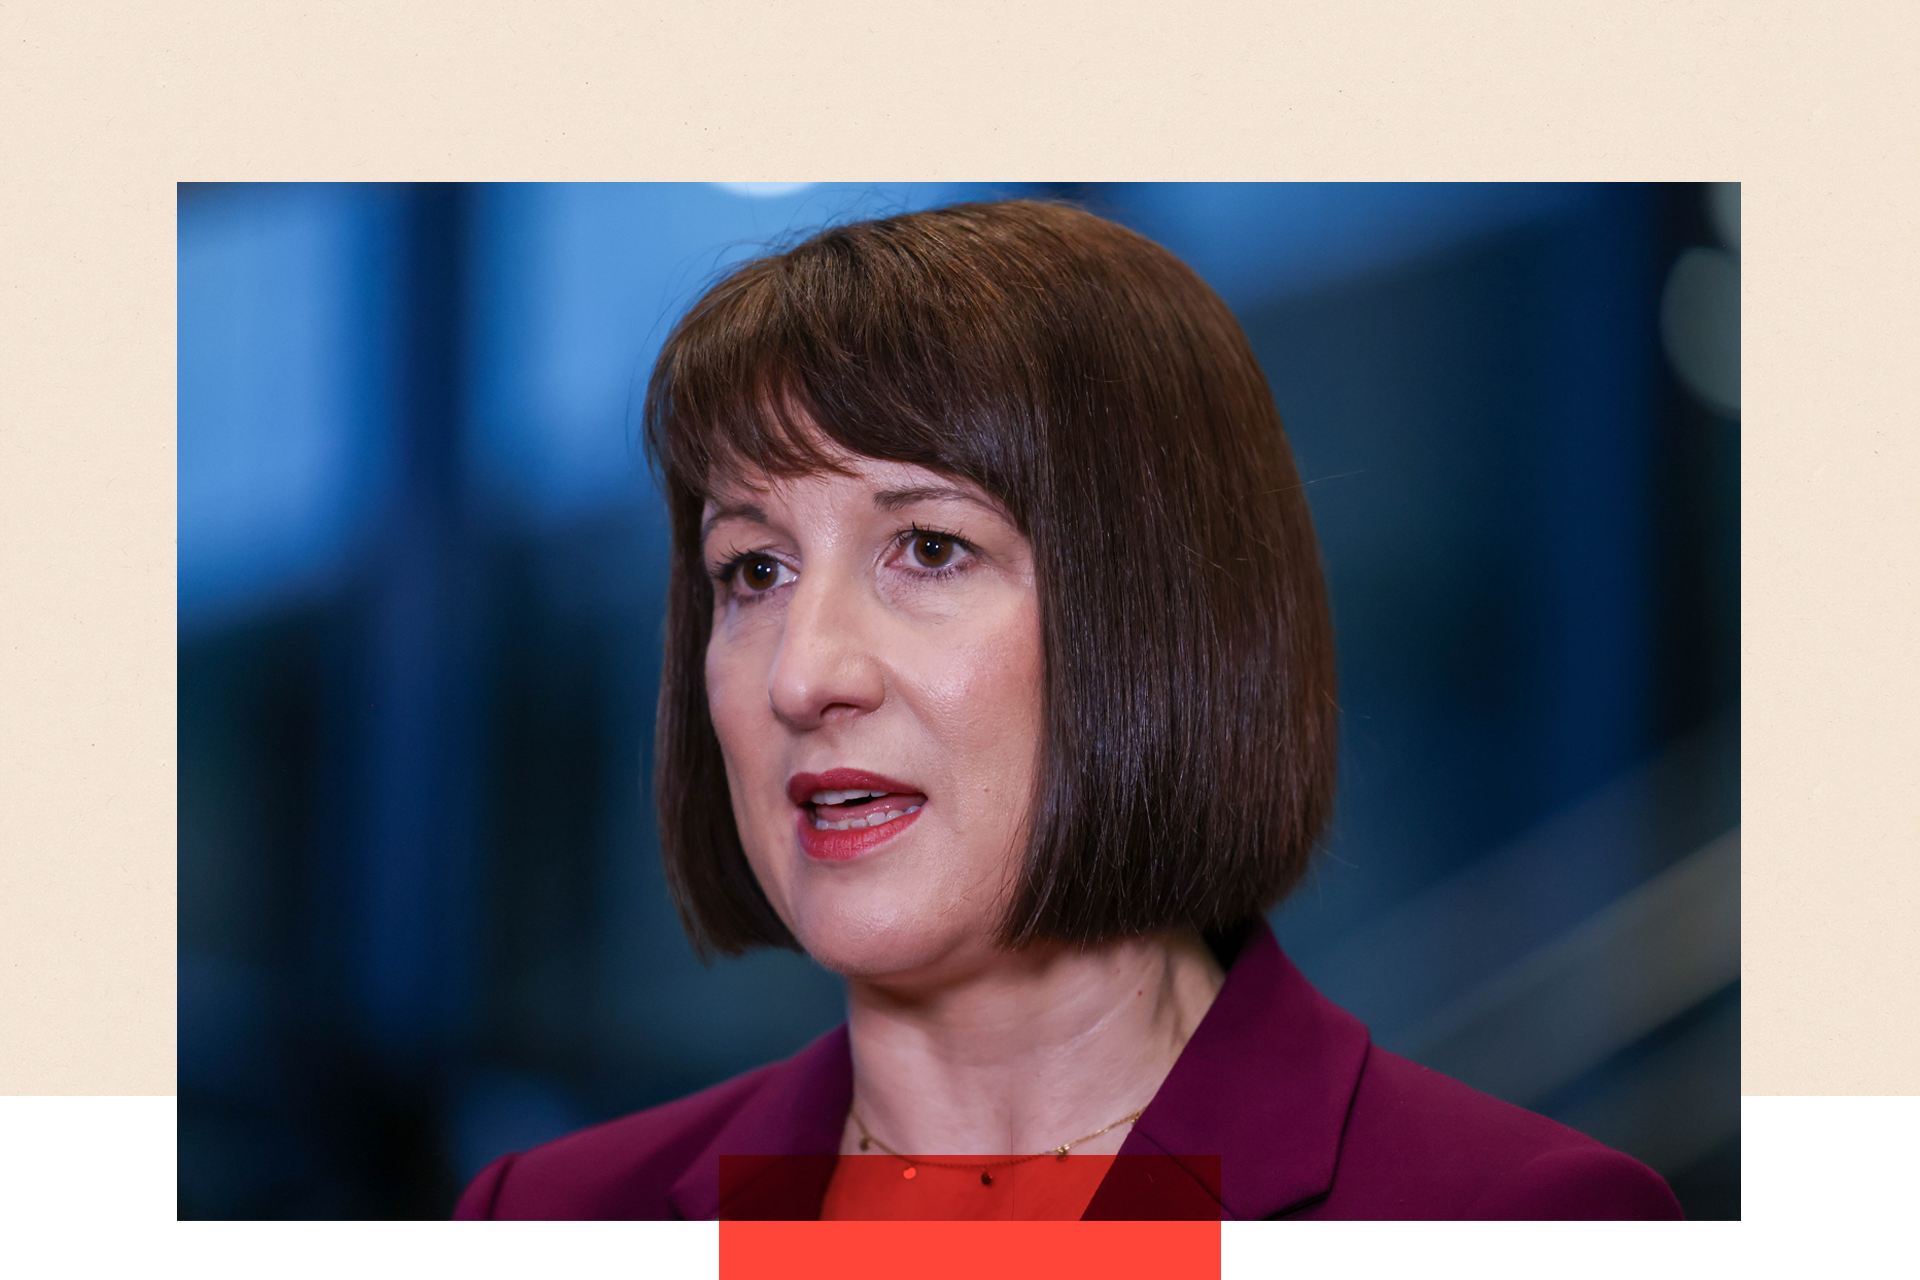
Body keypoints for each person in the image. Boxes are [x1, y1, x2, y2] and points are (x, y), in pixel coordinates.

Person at [453, 200, 1684, 1222]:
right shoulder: (547, 1208)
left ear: (1163, 613)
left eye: (929, 547)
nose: (801, 671)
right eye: (754, 570)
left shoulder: (1519, 1208)